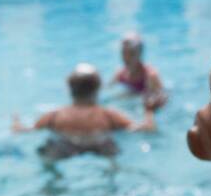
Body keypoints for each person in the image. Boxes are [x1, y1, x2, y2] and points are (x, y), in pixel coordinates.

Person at [12, 63, 153, 159]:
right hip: (100, 146)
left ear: (69, 88)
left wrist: (16, 122)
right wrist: (149, 111)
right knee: (112, 155)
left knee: (47, 152)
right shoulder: (108, 116)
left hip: (64, 147)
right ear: (98, 88)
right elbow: (146, 129)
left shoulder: (54, 116)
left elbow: (23, 131)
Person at [111, 33, 167, 111]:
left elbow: (162, 98)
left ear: (139, 53)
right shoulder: (120, 73)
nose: (126, 57)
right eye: (124, 53)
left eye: (131, 53)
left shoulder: (150, 75)